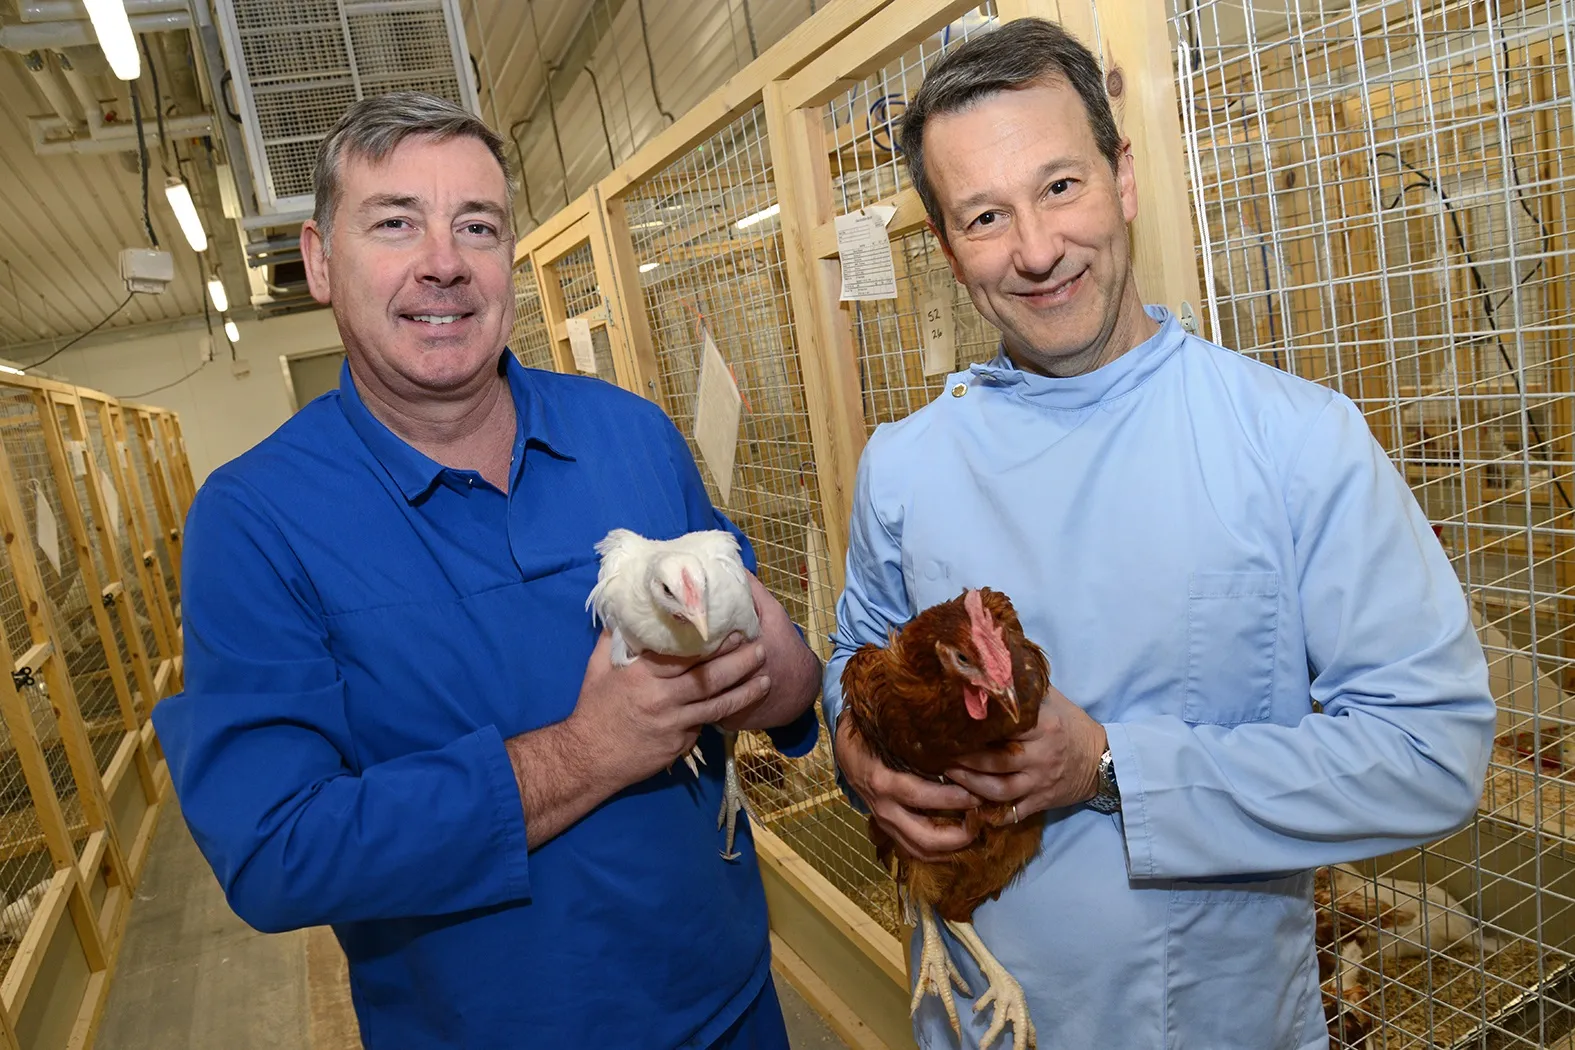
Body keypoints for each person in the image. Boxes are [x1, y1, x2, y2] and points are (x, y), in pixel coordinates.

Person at [822, 18, 1495, 1049]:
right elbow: (851, 661)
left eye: (1060, 186)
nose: (1036, 250)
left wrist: (1110, 767)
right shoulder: (903, 466)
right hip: (975, 1017)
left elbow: (1430, 751)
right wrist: (856, 753)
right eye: (985, 216)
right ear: (949, 252)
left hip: (1216, 1020)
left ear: (1122, 175)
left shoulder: (1291, 440)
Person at [151, 92, 823, 1049]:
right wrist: (587, 751)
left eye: (477, 225)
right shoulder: (255, 520)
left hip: (730, 1009)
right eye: (395, 223)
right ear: (319, 262)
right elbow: (276, 850)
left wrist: (780, 667)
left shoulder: (629, 433)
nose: (444, 262)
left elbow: (783, 685)